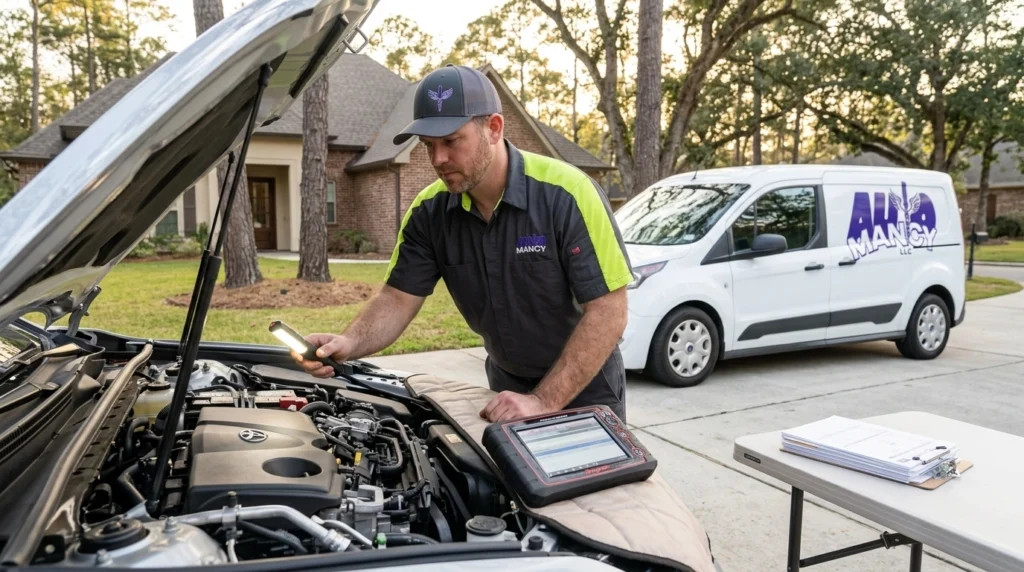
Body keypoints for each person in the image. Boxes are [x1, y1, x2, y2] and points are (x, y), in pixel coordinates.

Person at [290, 64, 633, 422]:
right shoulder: (429, 212)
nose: (438, 159)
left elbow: (609, 312)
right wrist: (348, 343)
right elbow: (396, 298)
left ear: (494, 128)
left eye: (451, 141)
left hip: (584, 387)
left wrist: (544, 400)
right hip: (504, 385)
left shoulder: (568, 194)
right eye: (428, 145)